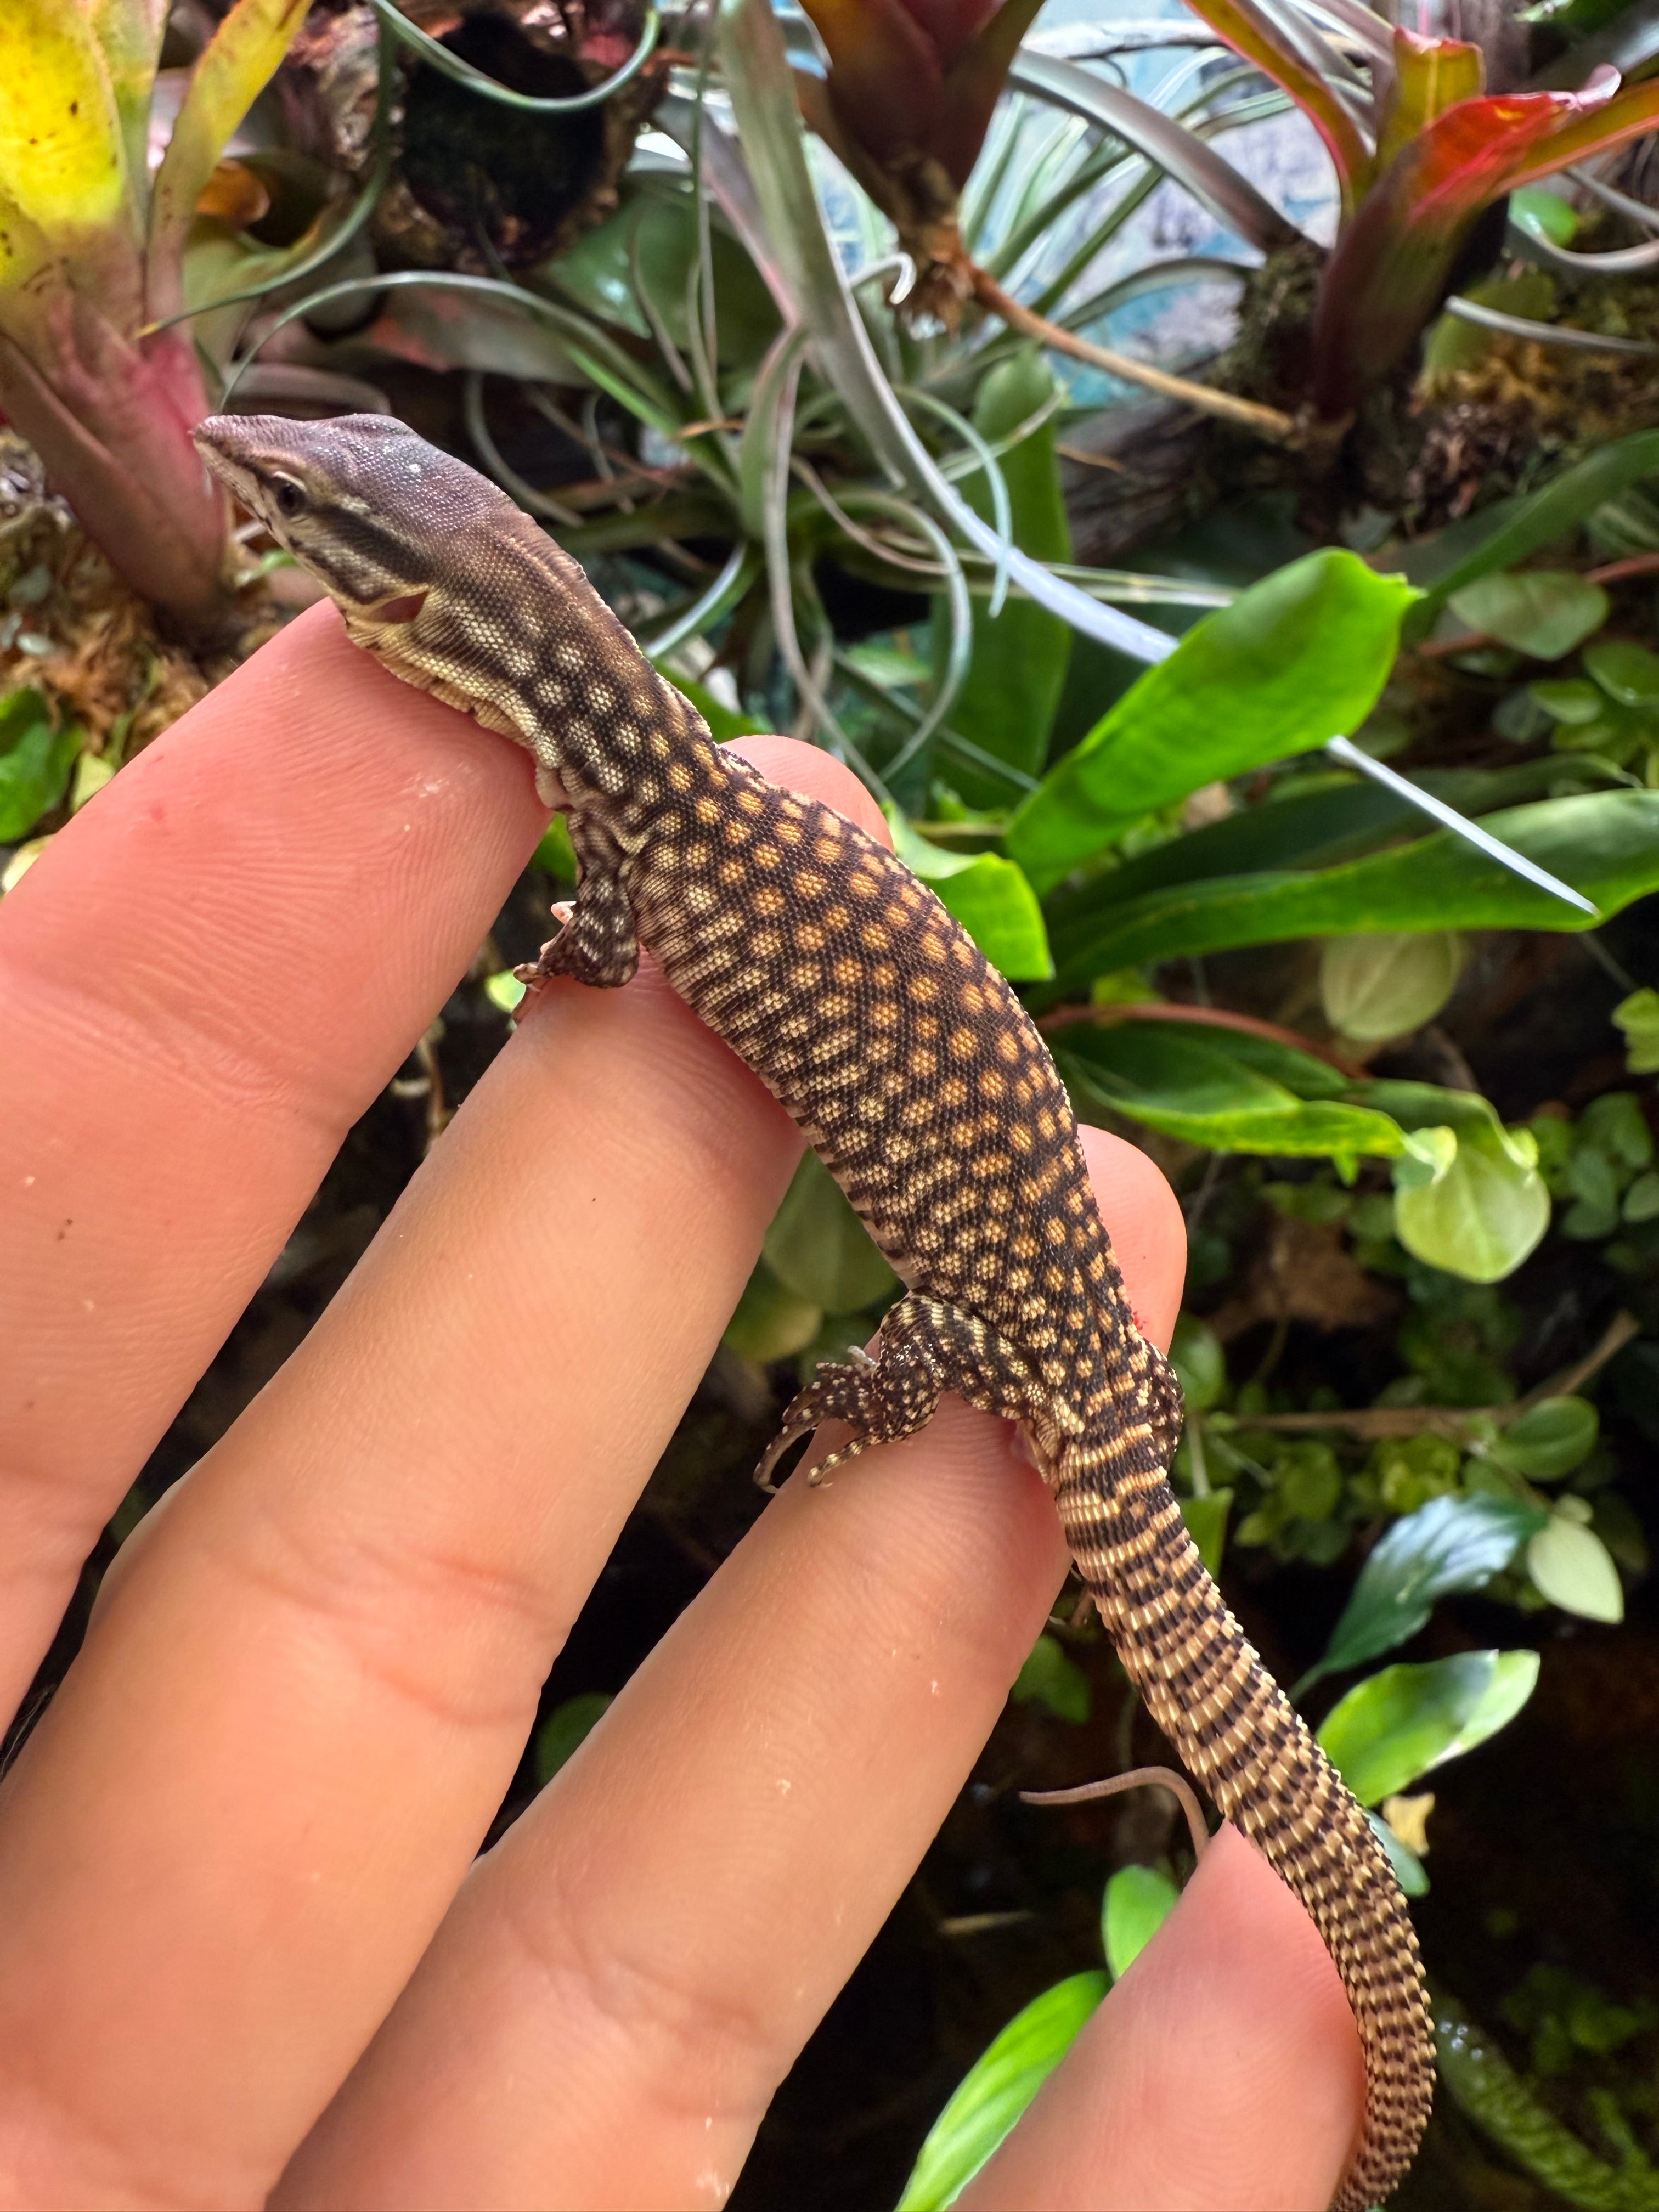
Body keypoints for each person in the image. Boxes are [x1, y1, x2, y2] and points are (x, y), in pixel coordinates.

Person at [0, 601, 1364, 2208]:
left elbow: (601, 952)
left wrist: (865, 1394)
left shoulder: (655, 828)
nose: (283, 545)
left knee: (944, 1393)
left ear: (441, 627)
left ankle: (1377, 2074)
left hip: (1020, 1336)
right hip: (1072, 1347)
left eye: (307, 532)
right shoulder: (684, 811)